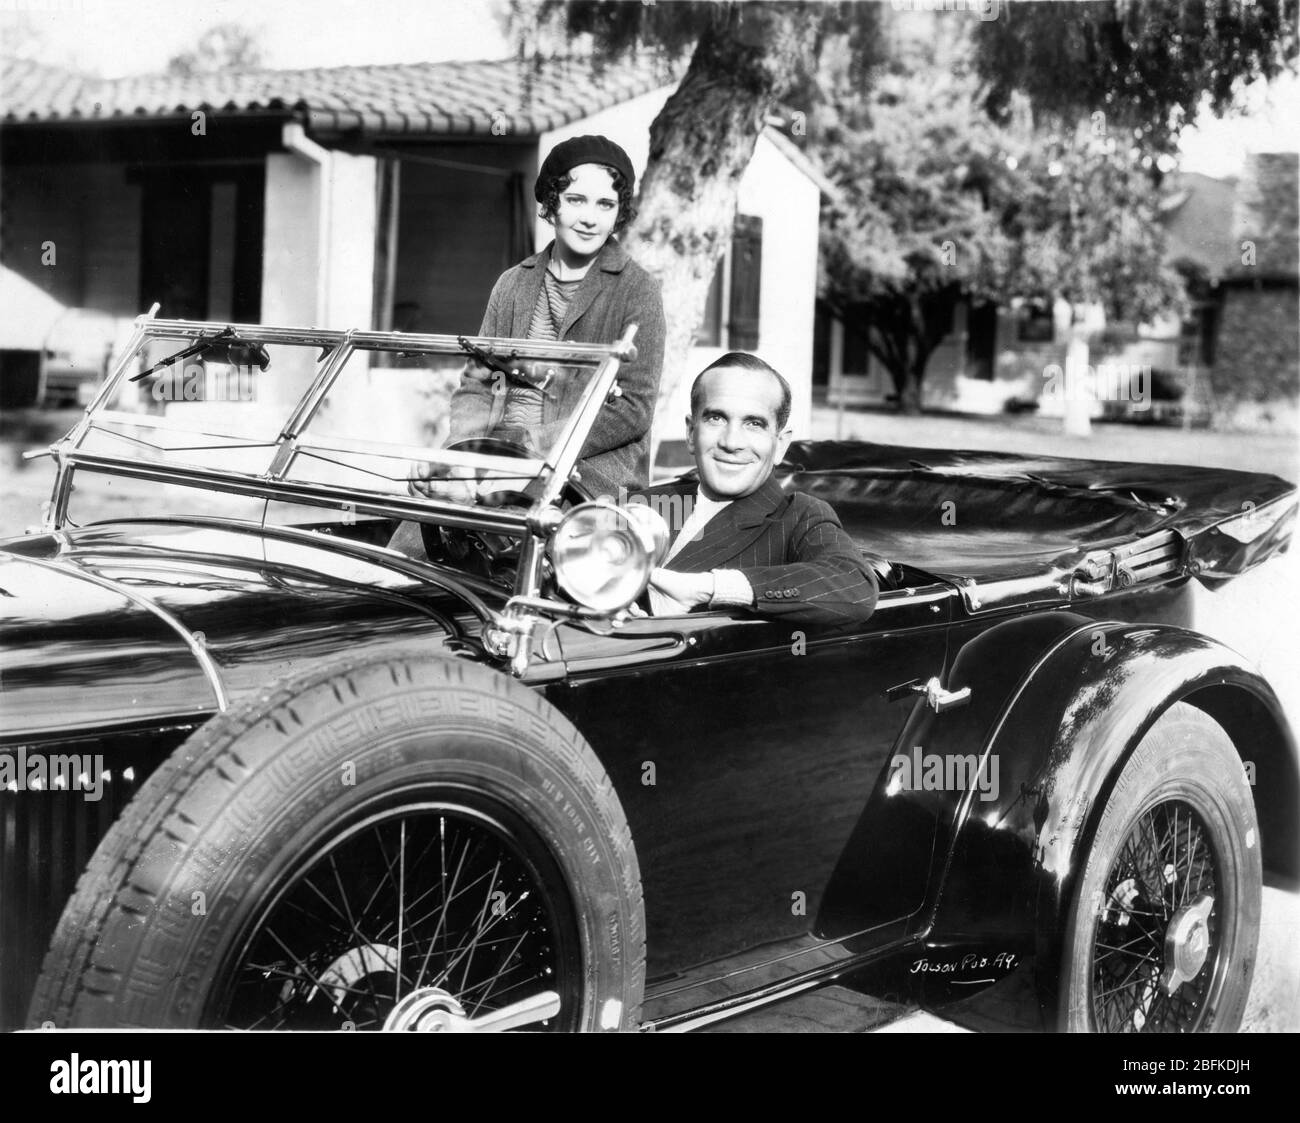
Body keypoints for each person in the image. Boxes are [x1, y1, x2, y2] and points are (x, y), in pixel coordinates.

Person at [413, 134, 666, 503]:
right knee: (410, 538)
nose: (590, 219)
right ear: (551, 203)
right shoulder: (513, 284)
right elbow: (478, 384)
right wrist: (460, 454)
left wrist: (532, 449)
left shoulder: (637, 290)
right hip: (496, 460)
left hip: (585, 475)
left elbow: (633, 410)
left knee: (510, 536)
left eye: (605, 204)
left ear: (619, 213)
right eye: (576, 200)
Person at [640, 352, 878, 628]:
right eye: (716, 418)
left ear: (780, 444)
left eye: (754, 424)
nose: (732, 442)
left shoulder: (798, 516)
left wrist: (712, 587)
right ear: (691, 433)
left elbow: (853, 586)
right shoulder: (645, 503)